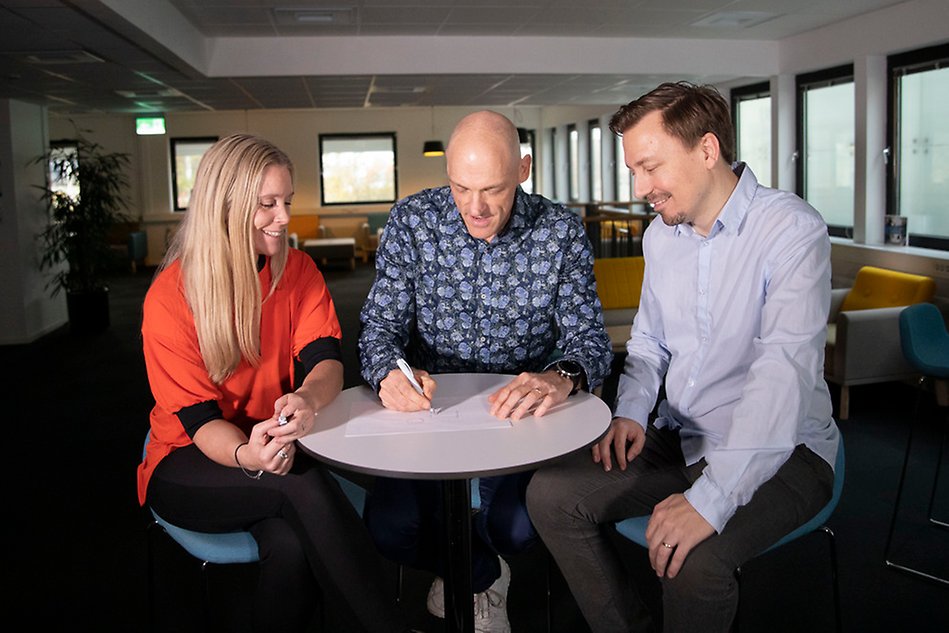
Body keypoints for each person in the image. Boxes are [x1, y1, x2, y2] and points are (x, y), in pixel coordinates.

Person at [526, 82, 841, 633]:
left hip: (786, 450)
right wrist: (630, 412)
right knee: (550, 496)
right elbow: (648, 343)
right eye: (633, 171)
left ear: (707, 150)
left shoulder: (791, 231)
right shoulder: (660, 236)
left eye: (650, 167)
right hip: (684, 436)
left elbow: (781, 377)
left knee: (692, 561)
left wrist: (711, 499)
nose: (640, 187)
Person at [137, 133, 414, 633]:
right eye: (266, 204)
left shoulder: (298, 270)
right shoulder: (169, 298)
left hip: (274, 447)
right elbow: (200, 423)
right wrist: (249, 456)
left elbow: (326, 363)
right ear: (225, 206)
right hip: (188, 460)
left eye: (285, 201)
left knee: (289, 547)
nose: (283, 217)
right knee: (302, 487)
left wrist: (307, 399)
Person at [358, 110, 613, 632]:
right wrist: (388, 370)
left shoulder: (560, 231)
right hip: (430, 414)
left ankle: (478, 565)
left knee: (519, 529)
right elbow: (377, 331)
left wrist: (559, 375)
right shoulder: (411, 222)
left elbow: (589, 341)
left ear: (523, 169)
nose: (474, 208)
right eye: (460, 188)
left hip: (519, 418)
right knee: (389, 531)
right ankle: (477, 573)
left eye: (492, 189)